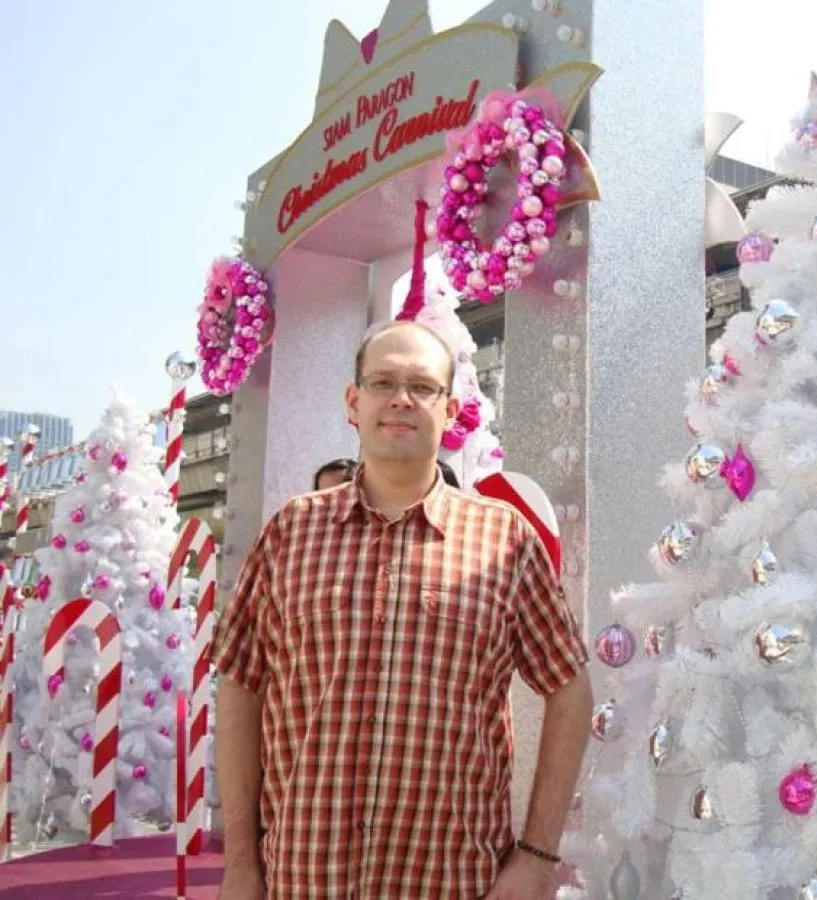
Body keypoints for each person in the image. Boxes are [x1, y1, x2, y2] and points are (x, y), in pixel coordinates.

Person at [212, 320, 593, 900]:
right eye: (382, 381)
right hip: (302, 877)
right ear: (353, 401)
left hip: (452, 879)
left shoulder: (504, 540)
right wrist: (240, 864)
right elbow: (241, 684)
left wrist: (537, 856)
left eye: (422, 387)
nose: (400, 399)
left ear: (452, 408)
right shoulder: (292, 530)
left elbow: (569, 689)